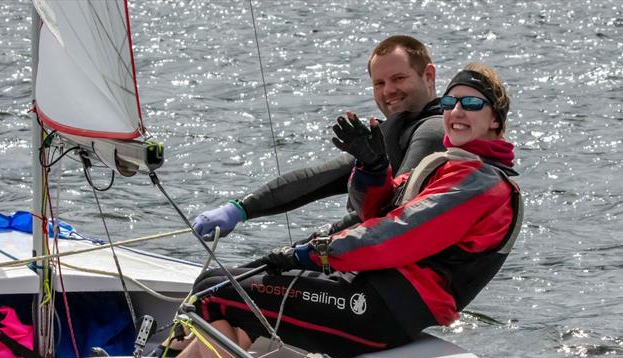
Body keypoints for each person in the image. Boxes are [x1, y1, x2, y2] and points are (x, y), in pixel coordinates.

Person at [179, 63, 523, 358]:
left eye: (472, 104)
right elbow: (375, 212)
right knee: (226, 290)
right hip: (367, 294)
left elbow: (396, 235)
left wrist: (316, 253)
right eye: (450, 102)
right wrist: (372, 169)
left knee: (214, 292)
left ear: (495, 119)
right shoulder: (449, 165)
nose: (457, 112)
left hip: (380, 311)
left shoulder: (482, 185)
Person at [191, 35, 445, 241]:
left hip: (390, 273)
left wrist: (315, 244)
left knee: (213, 289)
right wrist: (240, 209)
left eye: (398, 78)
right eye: (379, 83)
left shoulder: (433, 132)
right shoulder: (391, 132)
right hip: (360, 255)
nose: (388, 90)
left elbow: (395, 212)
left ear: (429, 75)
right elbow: (319, 178)